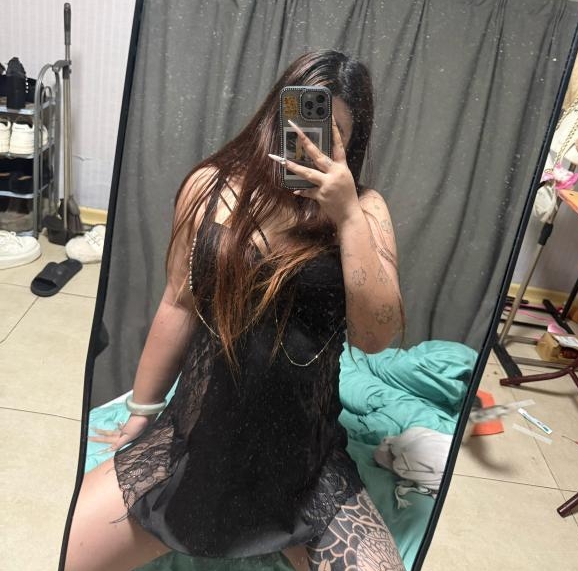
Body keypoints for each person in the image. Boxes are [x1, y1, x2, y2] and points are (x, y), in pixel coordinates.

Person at [65, 50, 406, 571]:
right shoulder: (210, 187)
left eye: (330, 133)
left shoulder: (366, 210)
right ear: (275, 116)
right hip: (196, 442)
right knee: (63, 552)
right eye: (301, 124)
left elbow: (374, 337)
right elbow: (177, 301)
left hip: (306, 464)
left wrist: (346, 217)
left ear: (351, 142)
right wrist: (142, 412)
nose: (310, 144)